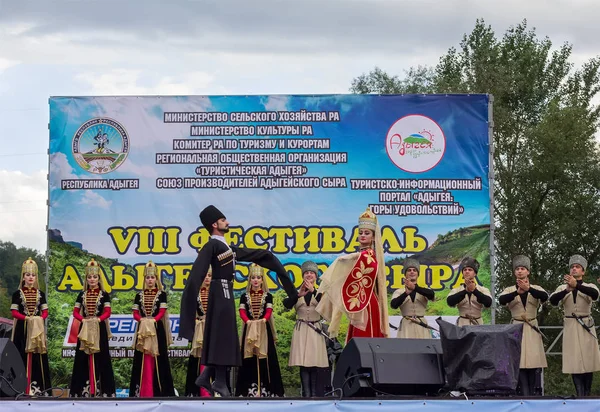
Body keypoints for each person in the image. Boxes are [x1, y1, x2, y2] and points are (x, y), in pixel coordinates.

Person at [180, 205, 297, 397]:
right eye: (224, 220)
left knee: (224, 335)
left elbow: (258, 255)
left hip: (225, 293)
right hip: (219, 293)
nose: (227, 222)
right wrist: (188, 311)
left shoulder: (227, 248)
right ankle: (218, 381)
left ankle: (210, 376)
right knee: (223, 335)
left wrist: (288, 287)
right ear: (214, 224)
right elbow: (196, 276)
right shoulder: (211, 246)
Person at [316, 207, 389, 342]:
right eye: (361, 232)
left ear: (373, 237)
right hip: (360, 301)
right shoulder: (361, 256)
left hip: (367, 302)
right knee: (357, 335)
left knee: (366, 338)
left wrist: (346, 258)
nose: (363, 235)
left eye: (367, 233)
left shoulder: (370, 256)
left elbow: (364, 260)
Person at [549, 254, 600, 397]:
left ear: (583, 271)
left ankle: (587, 395)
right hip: (571, 324)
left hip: (586, 325)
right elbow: (552, 301)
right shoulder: (562, 288)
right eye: (572, 267)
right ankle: (579, 394)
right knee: (574, 360)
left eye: (577, 267)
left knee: (588, 360)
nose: (574, 269)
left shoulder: (589, 286)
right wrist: (567, 290)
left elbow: (595, 295)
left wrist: (576, 285)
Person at [498, 255, 548, 396]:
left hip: (532, 326)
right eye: (517, 269)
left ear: (528, 272)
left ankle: (531, 394)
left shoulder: (536, 288)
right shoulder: (509, 290)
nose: (520, 271)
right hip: (516, 327)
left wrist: (528, 289)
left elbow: (545, 297)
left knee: (532, 363)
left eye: (523, 269)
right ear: (514, 273)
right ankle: (523, 394)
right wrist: (516, 292)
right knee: (519, 363)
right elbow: (502, 300)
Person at [235, 264, 284, 397]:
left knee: (265, 358)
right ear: (250, 280)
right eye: (253, 278)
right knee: (249, 357)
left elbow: (269, 311)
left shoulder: (268, 296)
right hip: (249, 329)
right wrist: (248, 322)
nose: (256, 280)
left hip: (264, 329)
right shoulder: (244, 296)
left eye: (258, 278)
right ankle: (247, 390)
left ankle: (268, 390)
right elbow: (242, 311)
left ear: (262, 280)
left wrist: (263, 320)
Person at [70, 258, 116, 397]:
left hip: (99, 329)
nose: (92, 279)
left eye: (94, 277)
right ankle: (82, 391)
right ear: (86, 279)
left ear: (98, 278)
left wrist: (97, 319)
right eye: (89, 277)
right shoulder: (82, 294)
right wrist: (83, 320)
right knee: (82, 358)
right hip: (84, 329)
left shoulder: (104, 295)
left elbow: (108, 312)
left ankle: (103, 391)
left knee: (101, 358)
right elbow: (75, 312)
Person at [129, 261, 175, 397]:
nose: (150, 280)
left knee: (159, 359)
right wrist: (142, 320)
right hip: (143, 330)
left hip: (156, 329)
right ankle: (141, 392)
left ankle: (160, 391)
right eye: (148, 278)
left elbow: (162, 311)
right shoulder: (139, 295)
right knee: (141, 359)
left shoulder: (162, 295)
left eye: (152, 277)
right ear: (145, 279)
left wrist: (153, 320)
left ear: (156, 279)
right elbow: (135, 314)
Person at [283, 261, 329, 397]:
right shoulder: (296, 291)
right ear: (303, 276)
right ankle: (306, 394)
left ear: (316, 276)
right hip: (302, 328)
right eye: (307, 273)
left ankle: (314, 394)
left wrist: (314, 291)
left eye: (312, 273)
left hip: (315, 328)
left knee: (314, 362)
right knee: (303, 363)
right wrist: (298, 295)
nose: (309, 275)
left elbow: (326, 308)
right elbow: (287, 304)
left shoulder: (321, 292)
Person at [10, 257, 51, 396]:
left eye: (33, 275)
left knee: (37, 357)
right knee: (20, 355)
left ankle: (39, 389)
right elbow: (14, 312)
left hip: (36, 330)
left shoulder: (41, 294)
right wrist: (27, 318)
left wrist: (39, 319)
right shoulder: (17, 294)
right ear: (23, 277)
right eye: (28, 275)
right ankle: (20, 389)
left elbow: (45, 311)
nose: (31, 277)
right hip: (22, 329)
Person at [185, 266, 212, 397]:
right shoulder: (195, 293)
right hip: (199, 327)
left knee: (213, 356)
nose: (207, 278)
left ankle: (213, 390)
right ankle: (195, 391)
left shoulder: (217, 293)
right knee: (197, 357)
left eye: (210, 276)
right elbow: (190, 311)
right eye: (205, 276)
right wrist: (197, 320)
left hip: (213, 329)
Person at [390, 258, 435, 338]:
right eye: (409, 270)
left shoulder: (424, 290)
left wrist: (414, 288)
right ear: (405, 274)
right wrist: (406, 293)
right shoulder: (399, 291)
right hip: (406, 325)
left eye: (414, 270)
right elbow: (393, 305)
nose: (412, 272)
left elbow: (431, 294)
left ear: (418, 274)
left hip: (421, 325)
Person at [446, 257, 492, 325]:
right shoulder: (456, 290)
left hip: (477, 324)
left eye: (470, 270)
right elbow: (450, 302)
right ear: (462, 273)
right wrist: (465, 291)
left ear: (475, 273)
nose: (467, 271)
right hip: (462, 324)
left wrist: (474, 290)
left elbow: (488, 303)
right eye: (465, 270)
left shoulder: (483, 289)